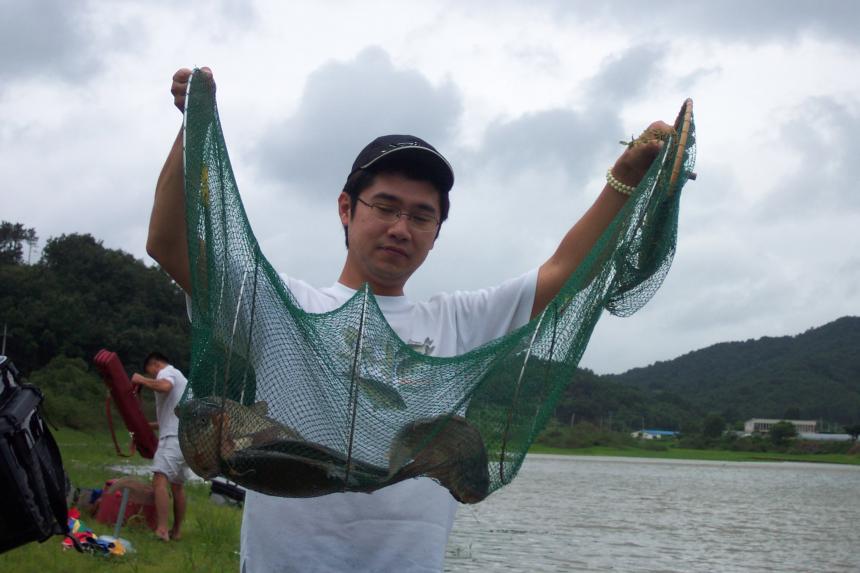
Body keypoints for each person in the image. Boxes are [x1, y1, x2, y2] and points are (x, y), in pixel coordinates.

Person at [147, 67, 672, 571]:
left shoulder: (461, 323)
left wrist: (624, 177)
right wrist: (193, 129)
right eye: (385, 206)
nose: (401, 228)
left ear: (436, 233)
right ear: (346, 208)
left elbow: (563, 271)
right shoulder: (281, 305)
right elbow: (168, 244)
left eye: (422, 216)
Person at [131, 351, 190, 542]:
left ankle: (162, 530)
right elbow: (172, 416)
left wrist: (141, 379)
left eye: (149, 372)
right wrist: (147, 426)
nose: (151, 376)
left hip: (172, 438)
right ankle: (176, 531)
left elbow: (165, 386)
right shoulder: (183, 380)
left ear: (155, 364)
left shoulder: (166, 372)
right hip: (186, 439)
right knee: (177, 486)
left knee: (159, 480)